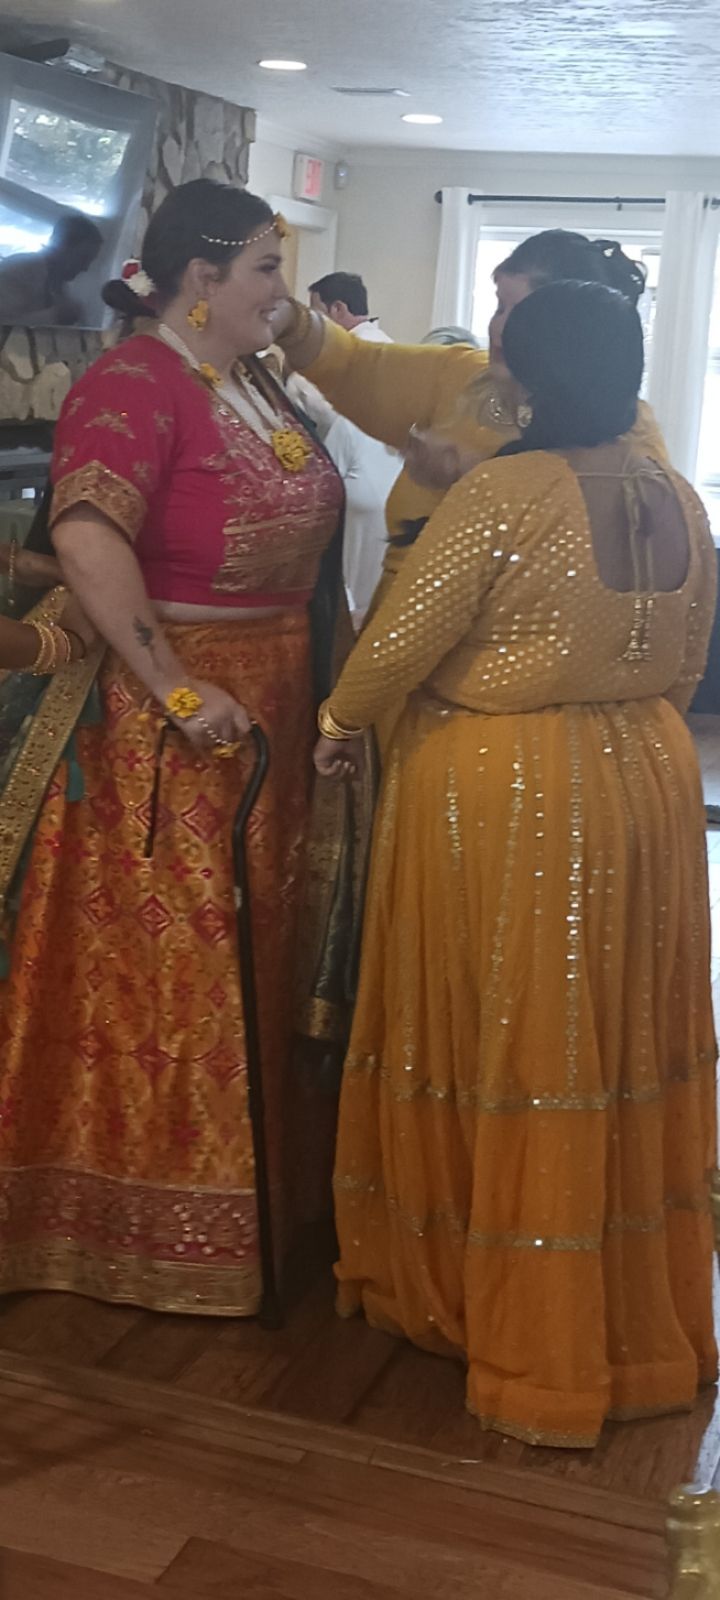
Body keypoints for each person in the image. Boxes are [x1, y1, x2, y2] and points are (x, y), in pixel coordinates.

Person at [313, 280, 718, 1448]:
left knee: (517, 1030)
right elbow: (687, 661)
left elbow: (397, 648)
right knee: (617, 1031)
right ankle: (624, 1315)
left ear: (523, 380)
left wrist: (341, 721)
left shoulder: (502, 491)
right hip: (648, 771)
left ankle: (500, 1310)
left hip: (511, 785)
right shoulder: (680, 493)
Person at [0, 178, 351, 1316]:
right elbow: (89, 531)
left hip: (282, 709)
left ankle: (275, 1209)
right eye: (264, 269)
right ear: (201, 280)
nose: (279, 293)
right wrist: (177, 685)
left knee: (271, 953)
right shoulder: (131, 382)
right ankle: (151, 1224)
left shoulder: (245, 379)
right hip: (180, 732)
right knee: (186, 981)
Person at [287, 272, 398, 627]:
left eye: (315, 312)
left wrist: (291, 378)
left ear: (337, 309)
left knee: (348, 602)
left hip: (354, 482)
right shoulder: (395, 349)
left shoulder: (346, 357)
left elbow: (322, 415)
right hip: (395, 491)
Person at [0, 213, 102, 325]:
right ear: (62, 245)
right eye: (83, 258)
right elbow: (3, 327)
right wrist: (55, 316)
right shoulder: (16, 270)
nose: (85, 268)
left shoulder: (59, 285)